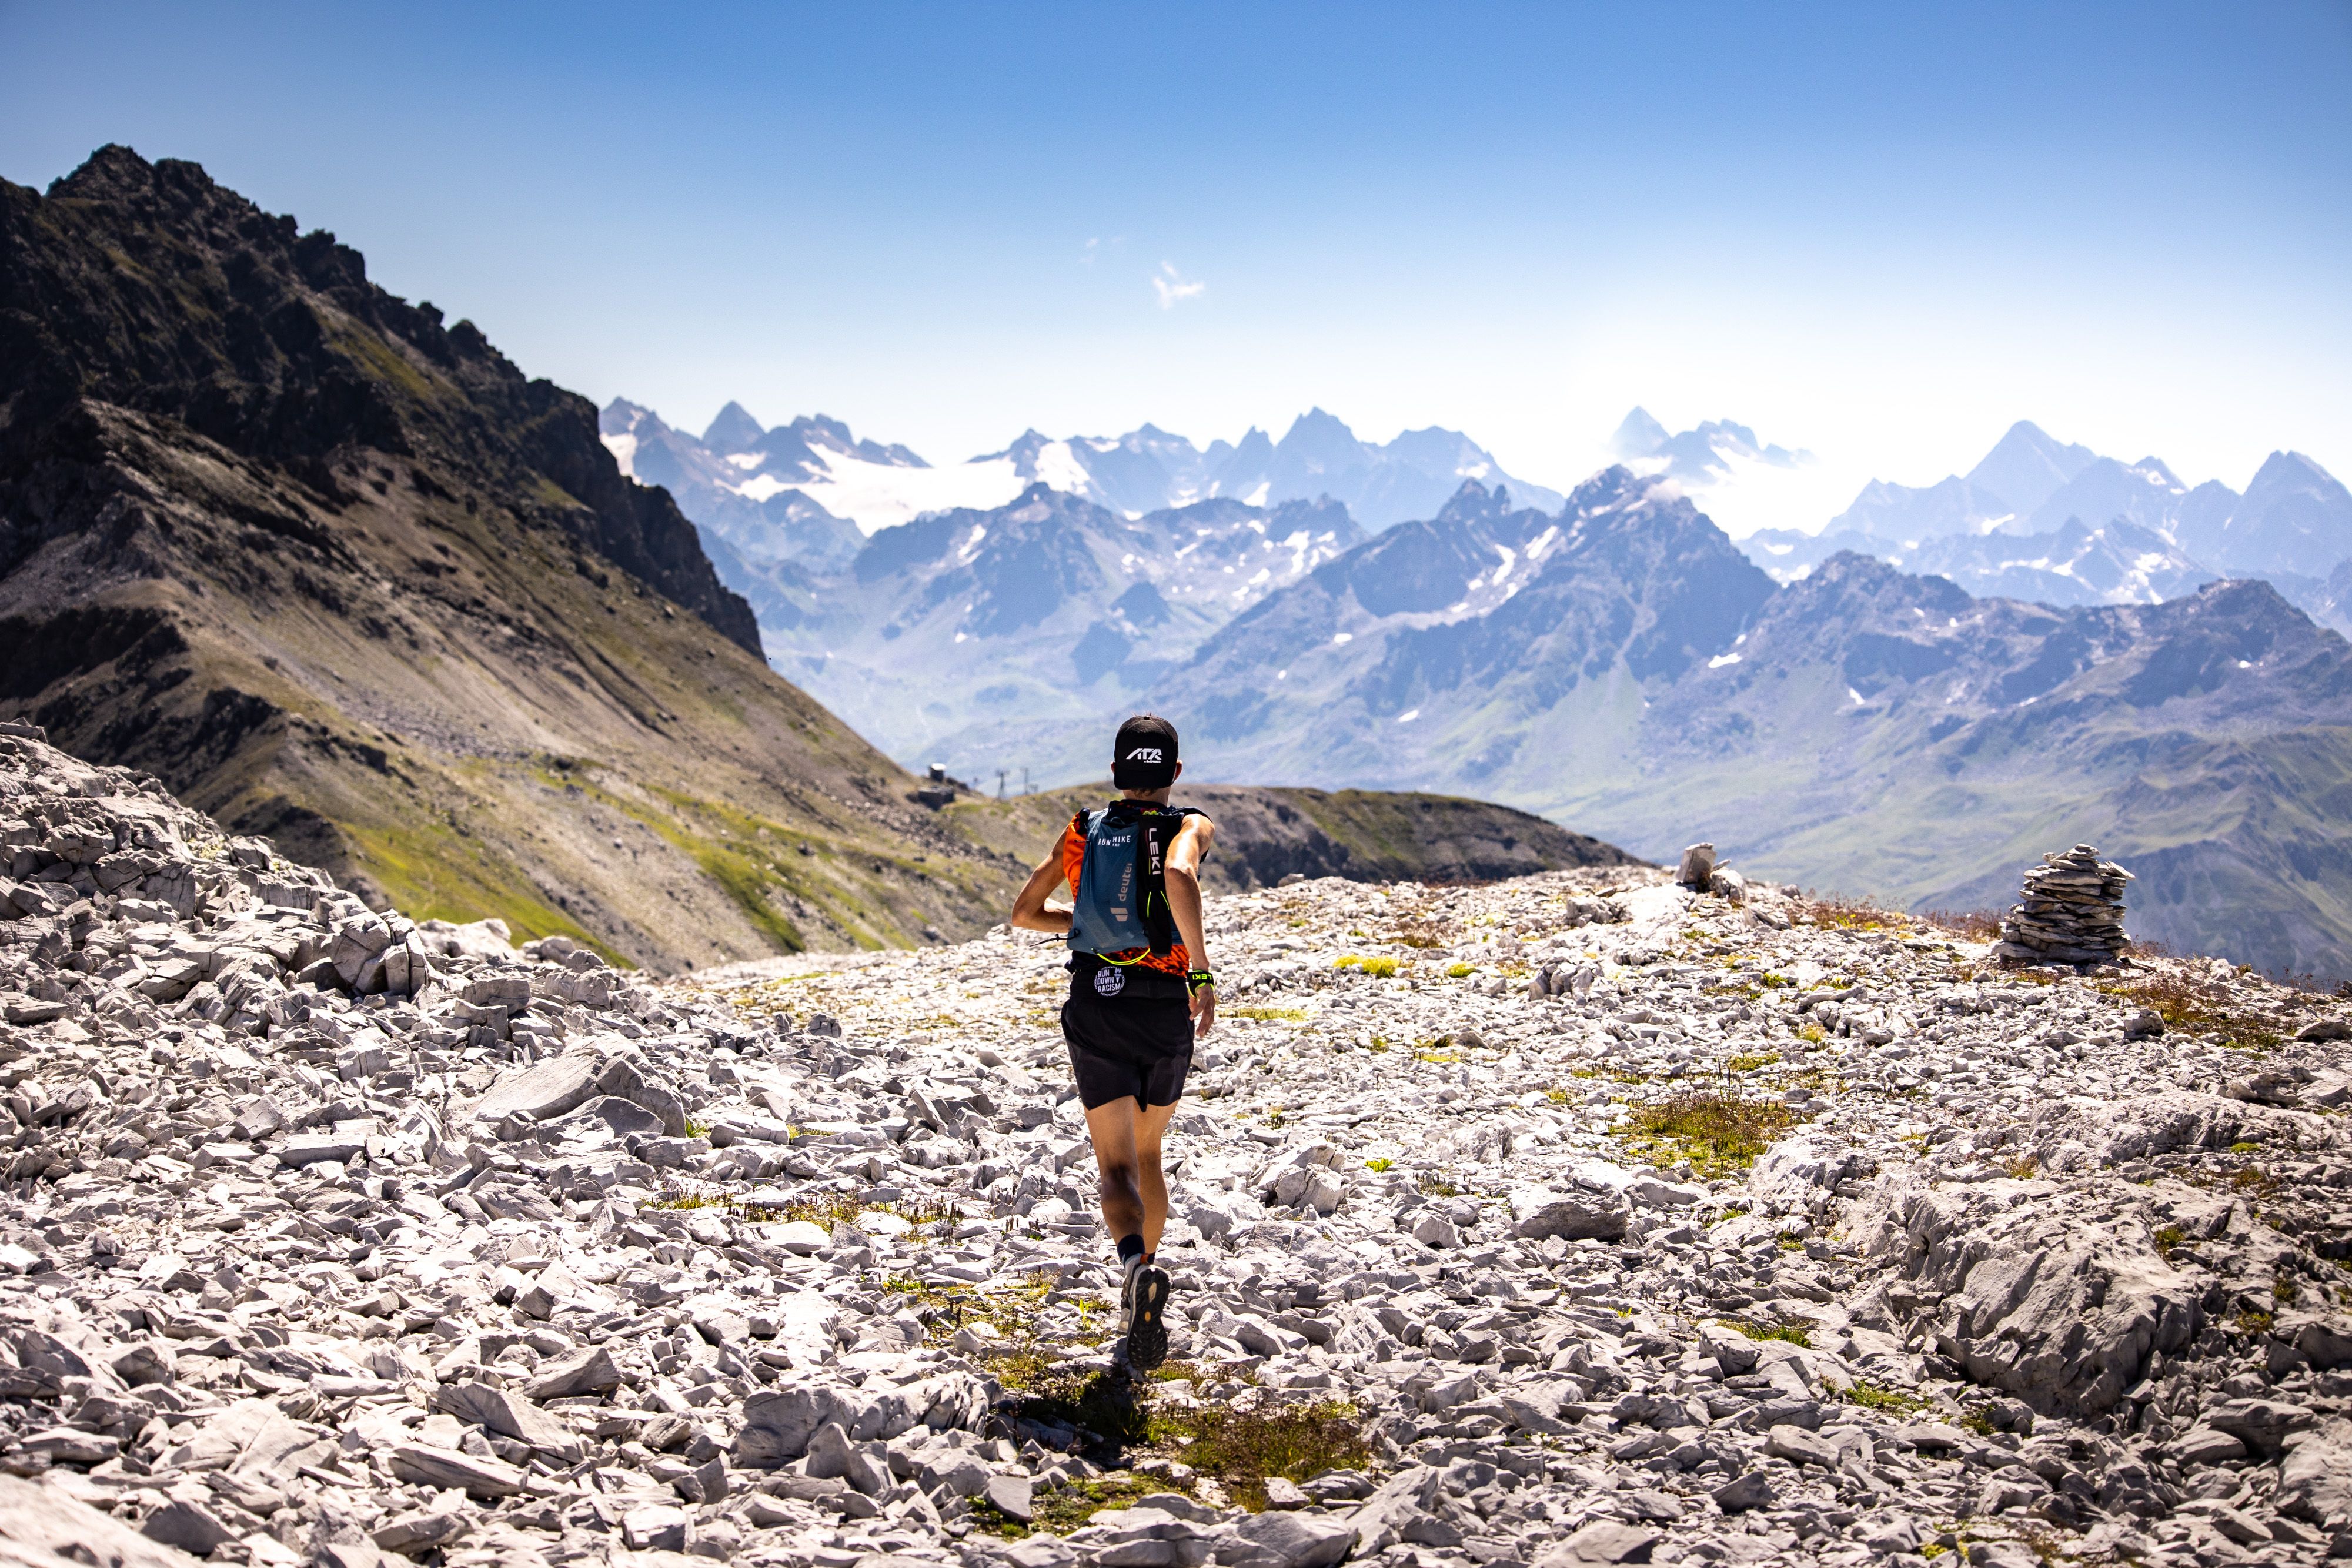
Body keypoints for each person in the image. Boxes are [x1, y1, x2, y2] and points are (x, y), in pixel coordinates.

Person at [1007, 714, 1217, 1372]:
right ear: (1174, 773)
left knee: (1116, 1167)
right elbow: (1178, 876)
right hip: (1162, 1010)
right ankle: (1146, 1269)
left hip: (1097, 1003)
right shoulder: (1190, 824)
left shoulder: (1082, 829)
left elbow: (1023, 913)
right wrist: (1200, 970)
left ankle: (1132, 1269)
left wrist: (1087, 924)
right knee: (1149, 1153)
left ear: (1116, 770)